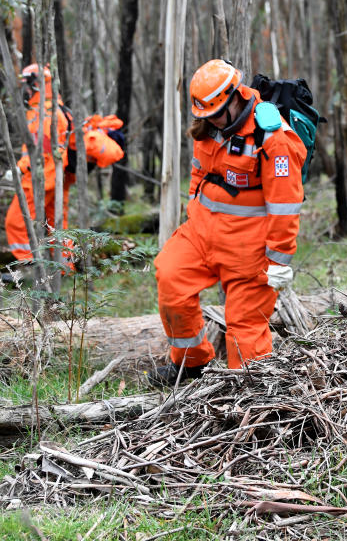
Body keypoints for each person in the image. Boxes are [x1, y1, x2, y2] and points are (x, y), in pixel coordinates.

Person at [150, 59, 307, 386]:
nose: (212, 122)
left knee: (245, 330)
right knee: (171, 277)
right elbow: (199, 171)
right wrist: (194, 207)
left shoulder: (272, 137)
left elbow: (285, 204)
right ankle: (190, 365)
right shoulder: (208, 125)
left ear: (235, 96)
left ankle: (252, 397)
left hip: (248, 251)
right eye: (205, 116)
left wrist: (278, 260)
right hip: (201, 233)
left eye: (216, 114)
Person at [4, 64, 124, 268]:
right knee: (56, 225)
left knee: (16, 222)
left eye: (28, 84)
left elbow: (42, 153)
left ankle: (28, 269)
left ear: (38, 85)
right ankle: (65, 269)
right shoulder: (49, 110)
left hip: (43, 178)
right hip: (53, 177)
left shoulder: (46, 114)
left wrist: (20, 168)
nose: (25, 88)